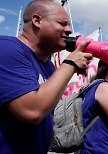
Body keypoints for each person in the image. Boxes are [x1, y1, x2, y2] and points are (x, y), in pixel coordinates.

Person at [0, 1, 93, 154]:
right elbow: (32, 111)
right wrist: (69, 64)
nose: (69, 30)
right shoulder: (7, 49)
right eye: (62, 24)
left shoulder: (49, 66)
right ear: (37, 21)